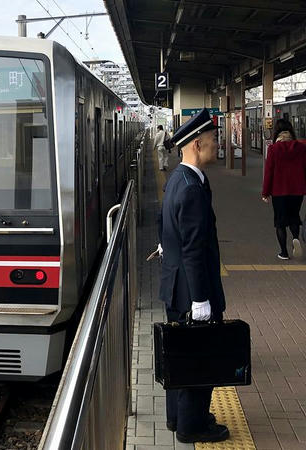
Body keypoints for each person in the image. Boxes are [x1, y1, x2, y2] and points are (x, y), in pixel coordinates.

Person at [158, 108, 229, 443]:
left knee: (178, 356)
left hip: (174, 288)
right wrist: (201, 300)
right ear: (197, 144)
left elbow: (167, 227)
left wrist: (164, 247)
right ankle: (193, 425)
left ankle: (177, 418)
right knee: (200, 360)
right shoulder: (191, 188)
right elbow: (194, 250)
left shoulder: (178, 179)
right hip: (192, 293)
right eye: (214, 140)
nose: (218, 145)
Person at [261, 119, 306, 260]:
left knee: (280, 221)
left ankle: (283, 252)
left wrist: (265, 192)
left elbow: (269, 172)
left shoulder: (273, 149)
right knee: (294, 217)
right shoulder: (302, 148)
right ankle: (295, 238)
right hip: (297, 191)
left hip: (279, 191)